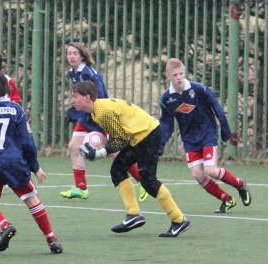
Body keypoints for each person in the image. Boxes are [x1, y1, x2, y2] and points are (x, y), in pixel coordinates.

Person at [0, 72, 63, 254]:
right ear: (6, 88)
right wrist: (35, 167)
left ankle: (5, 225)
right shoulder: (17, 109)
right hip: (15, 162)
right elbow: (27, 141)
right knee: (32, 200)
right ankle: (51, 238)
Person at [71, 81, 190, 237]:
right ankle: (134, 215)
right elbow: (119, 136)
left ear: (87, 97)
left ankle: (179, 220)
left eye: (75, 96)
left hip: (148, 134)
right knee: (118, 170)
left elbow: (120, 140)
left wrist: (99, 153)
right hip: (139, 136)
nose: (72, 100)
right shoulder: (96, 111)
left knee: (148, 181)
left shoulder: (102, 112)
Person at [158, 59, 251, 214]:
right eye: (175, 75)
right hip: (189, 138)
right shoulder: (167, 98)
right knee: (198, 175)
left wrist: (225, 131)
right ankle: (227, 199)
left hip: (208, 132)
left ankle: (240, 184)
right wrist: (160, 144)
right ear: (168, 76)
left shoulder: (199, 89)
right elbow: (166, 123)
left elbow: (217, 108)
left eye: (181, 73)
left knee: (211, 170)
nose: (179, 77)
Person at [60, 41, 146, 202]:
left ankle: (144, 181)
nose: (71, 56)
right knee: (73, 147)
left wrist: (95, 114)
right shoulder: (73, 72)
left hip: (97, 115)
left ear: (82, 55)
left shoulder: (90, 74)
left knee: (115, 151)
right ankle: (81, 188)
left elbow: (101, 96)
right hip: (86, 116)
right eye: (69, 53)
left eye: (75, 53)